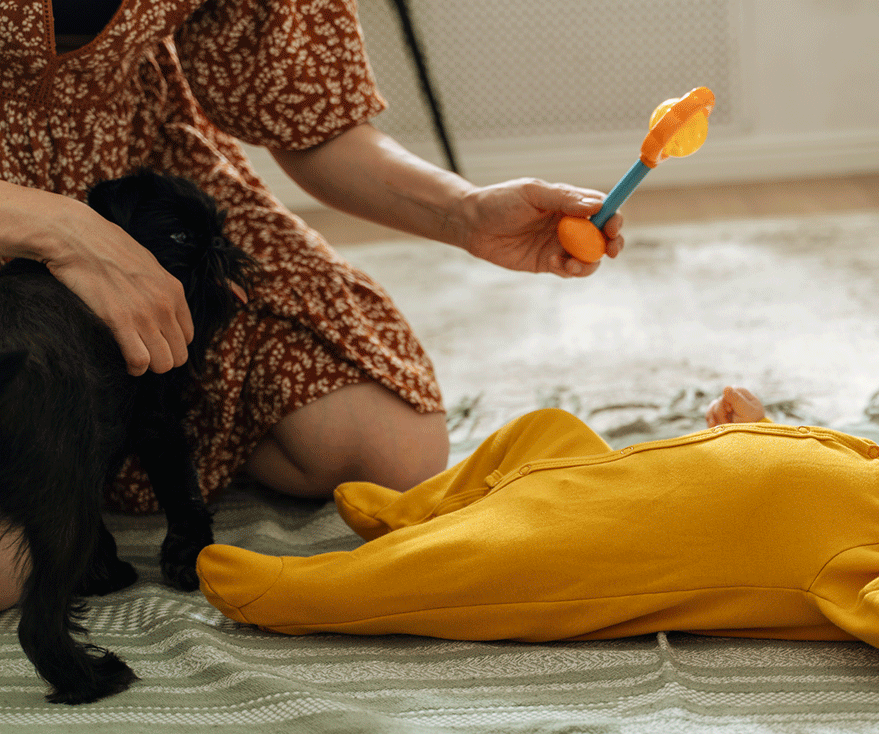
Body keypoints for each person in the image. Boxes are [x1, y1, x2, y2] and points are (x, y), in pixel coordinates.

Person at [0, 0, 623, 610]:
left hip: (143, 186)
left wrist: (464, 213)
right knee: (12, 565)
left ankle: (107, 447)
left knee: (388, 448)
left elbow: (314, 120)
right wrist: (62, 229)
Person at [196, 386, 879, 662]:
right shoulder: (876, 469)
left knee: (459, 568)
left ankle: (301, 593)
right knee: (540, 430)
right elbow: (774, 476)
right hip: (596, 475)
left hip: (586, 549)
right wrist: (754, 429)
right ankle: (411, 505)